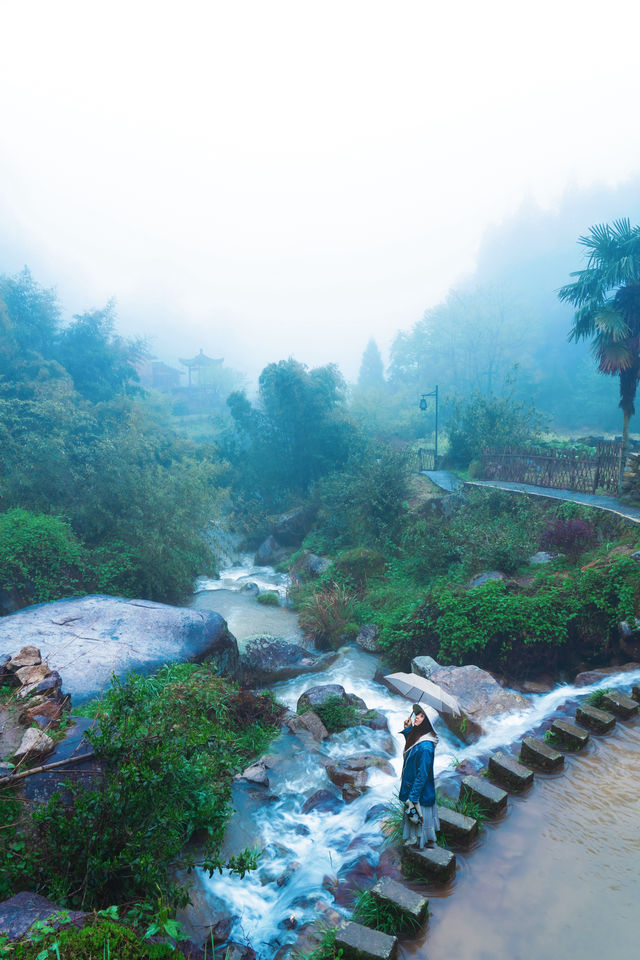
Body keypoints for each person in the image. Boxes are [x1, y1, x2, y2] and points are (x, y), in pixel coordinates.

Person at [399, 703, 439, 848]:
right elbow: (412, 750)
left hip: (418, 789)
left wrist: (414, 796)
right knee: (414, 815)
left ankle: (419, 843)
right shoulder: (420, 736)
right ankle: (414, 839)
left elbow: (422, 774)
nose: (417, 717)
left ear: (427, 722)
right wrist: (408, 730)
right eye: (418, 714)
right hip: (412, 783)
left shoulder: (426, 747)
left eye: (422, 716)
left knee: (418, 814)